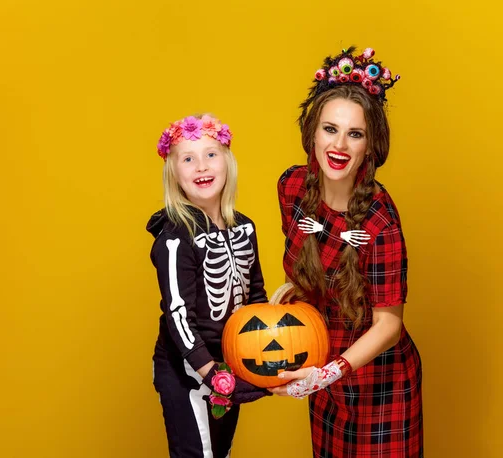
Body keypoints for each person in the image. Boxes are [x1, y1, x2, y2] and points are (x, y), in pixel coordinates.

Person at [270, 47, 423, 457]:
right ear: (311, 133)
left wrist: (327, 373)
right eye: (329, 129)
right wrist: (295, 287)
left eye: (354, 134)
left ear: (370, 145)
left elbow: (388, 325)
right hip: (323, 370)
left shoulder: (380, 218)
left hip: (380, 383)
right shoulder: (291, 188)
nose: (339, 145)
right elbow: (312, 256)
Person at [147, 114, 269, 458]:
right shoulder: (174, 237)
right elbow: (178, 316)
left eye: (211, 154)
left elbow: (254, 294)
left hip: (230, 362)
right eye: (188, 159)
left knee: (221, 451)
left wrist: (260, 357)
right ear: (174, 174)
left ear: (227, 163)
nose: (201, 166)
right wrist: (210, 372)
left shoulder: (244, 227)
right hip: (187, 369)